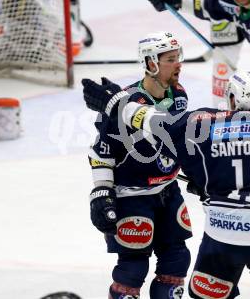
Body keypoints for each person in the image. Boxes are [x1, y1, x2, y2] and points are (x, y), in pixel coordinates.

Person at [81, 69, 250, 298]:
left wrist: (116, 102)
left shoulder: (201, 123)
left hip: (220, 239)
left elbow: (152, 121)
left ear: (233, 98)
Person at [87, 32, 192, 299]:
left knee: (177, 258)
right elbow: (102, 150)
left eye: (178, 57)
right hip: (132, 196)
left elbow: (178, 139)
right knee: (133, 267)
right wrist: (101, 192)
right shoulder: (122, 101)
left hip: (168, 191)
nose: (178, 64)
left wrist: (200, 173)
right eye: (171, 59)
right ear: (151, 63)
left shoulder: (179, 95)